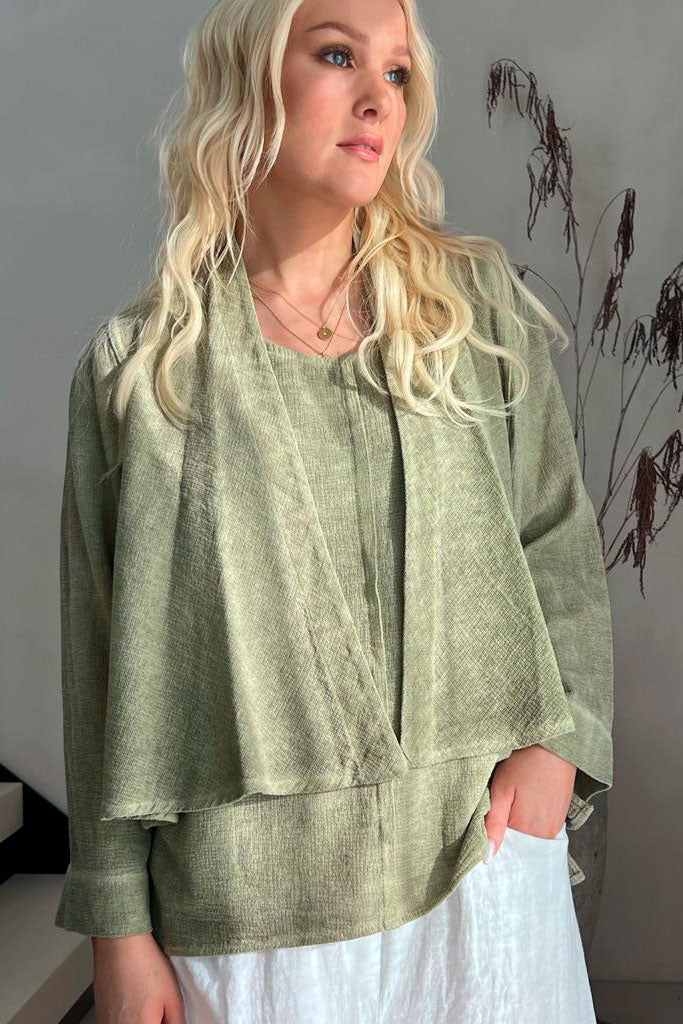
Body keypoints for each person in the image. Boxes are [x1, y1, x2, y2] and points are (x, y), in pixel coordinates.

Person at [54, 0, 614, 1021]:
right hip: (253, 920)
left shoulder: (471, 314)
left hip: (478, 873)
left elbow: (554, 536)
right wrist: (118, 925)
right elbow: (102, 663)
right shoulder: (141, 371)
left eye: (396, 73)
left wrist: (559, 740)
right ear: (250, 76)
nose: (376, 99)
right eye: (335, 55)